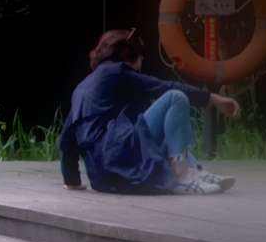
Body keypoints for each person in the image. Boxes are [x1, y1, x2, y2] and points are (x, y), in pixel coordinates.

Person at [58, 28, 240, 195]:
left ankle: (196, 170)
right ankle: (184, 175)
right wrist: (213, 99)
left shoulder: (81, 89)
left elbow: (66, 140)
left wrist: (72, 181)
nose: (142, 61)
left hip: (103, 178)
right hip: (121, 157)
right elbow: (163, 87)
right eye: (141, 56)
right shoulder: (116, 72)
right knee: (175, 98)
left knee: (157, 126)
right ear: (130, 56)